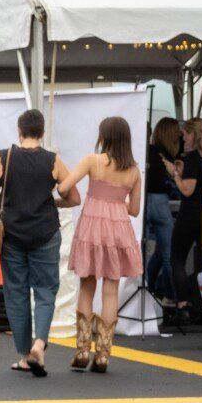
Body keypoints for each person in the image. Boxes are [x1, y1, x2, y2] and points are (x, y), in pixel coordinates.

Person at [0, 109, 80, 376]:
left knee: (17, 293)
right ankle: (40, 345)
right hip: (46, 233)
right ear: (42, 133)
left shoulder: (4, 157)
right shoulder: (53, 160)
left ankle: (24, 356)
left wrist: (9, 192)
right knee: (46, 291)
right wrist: (52, 201)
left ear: (19, 131)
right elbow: (74, 199)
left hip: (12, 234)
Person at [62, 117, 145, 373]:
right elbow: (133, 210)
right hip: (119, 230)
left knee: (87, 286)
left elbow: (65, 187)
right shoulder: (134, 171)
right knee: (111, 290)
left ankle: (83, 349)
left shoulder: (92, 161)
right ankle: (103, 355)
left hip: (91, 229)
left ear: (104, 137)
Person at [168, 119, 202, 318]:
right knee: (201, 262)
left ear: (193, 135)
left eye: (184, 134)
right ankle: (201, 303)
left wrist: (176, 174)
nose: (182, 137)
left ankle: (183, 304)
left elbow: (187, 190)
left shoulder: (193, 158)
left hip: (189, 213)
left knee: (177, 258)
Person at [142, 117, 181, 301]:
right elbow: (174, 179)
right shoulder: (162, 154)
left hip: (142, 200)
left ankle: (148, 291)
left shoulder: (138, 153)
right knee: (168, 252)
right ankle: (173, 297)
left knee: (148, 252)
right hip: (160, 200)